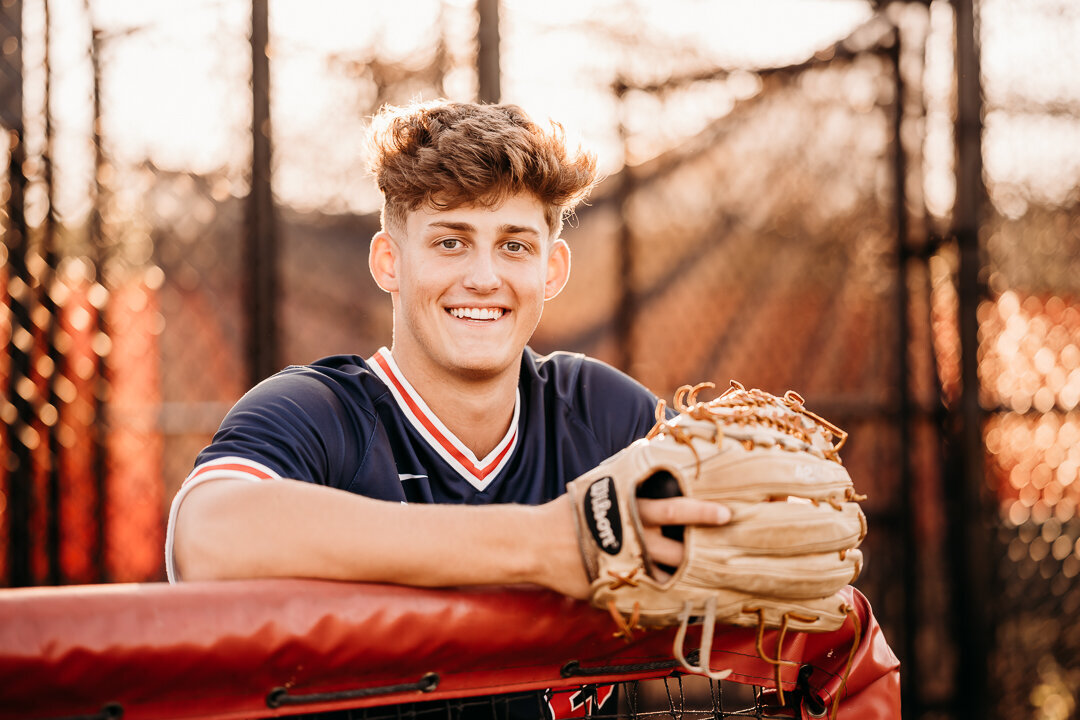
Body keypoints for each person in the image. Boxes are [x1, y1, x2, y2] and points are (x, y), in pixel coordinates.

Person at [166, 99, 730, 602]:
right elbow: (207, 537)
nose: (484, 278)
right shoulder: (317, 410)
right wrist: (550, 542)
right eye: (450, 242)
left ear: (551, 270)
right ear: (390, 262)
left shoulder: (593, 408)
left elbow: (750, 511)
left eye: (514, 245)